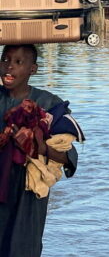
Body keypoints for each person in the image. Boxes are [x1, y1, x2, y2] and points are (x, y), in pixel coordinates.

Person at [0, 44, 83, 257]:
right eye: (5, 60)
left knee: (24, 248)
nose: (9, 67)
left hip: (28, 193)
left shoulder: (49, 104)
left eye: (18, 62)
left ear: (33, 69)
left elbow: (68, 157)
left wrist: (40, 146)